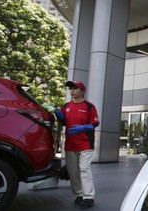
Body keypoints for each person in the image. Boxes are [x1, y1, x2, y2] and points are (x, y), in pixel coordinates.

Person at [43, 80, 99, 208]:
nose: (72, 90)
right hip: (70, 144)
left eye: (75, 88)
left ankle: (89, 197)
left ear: (82, 91)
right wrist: (57, 112)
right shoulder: (66, 106)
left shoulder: (89, 106)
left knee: (84, 169)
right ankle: (79, 194)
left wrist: (82, 128)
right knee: (73, 171)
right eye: (70, 88)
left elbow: (95, 123)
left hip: (85, 144)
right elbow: (63, 122)